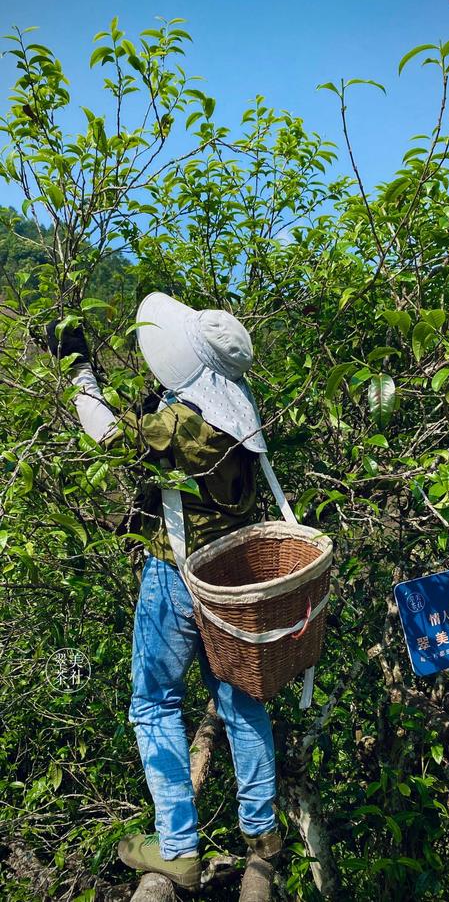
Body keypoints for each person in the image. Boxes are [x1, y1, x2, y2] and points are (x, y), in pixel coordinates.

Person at [46, 292, 282, 894]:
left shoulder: (177, 424)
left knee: (153, 702)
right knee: (241, 699)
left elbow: (102, 431)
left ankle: (177, 847)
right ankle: (263, 835)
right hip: (233, 576)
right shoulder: (240, 412)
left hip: (177, 575)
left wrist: (78, 366)